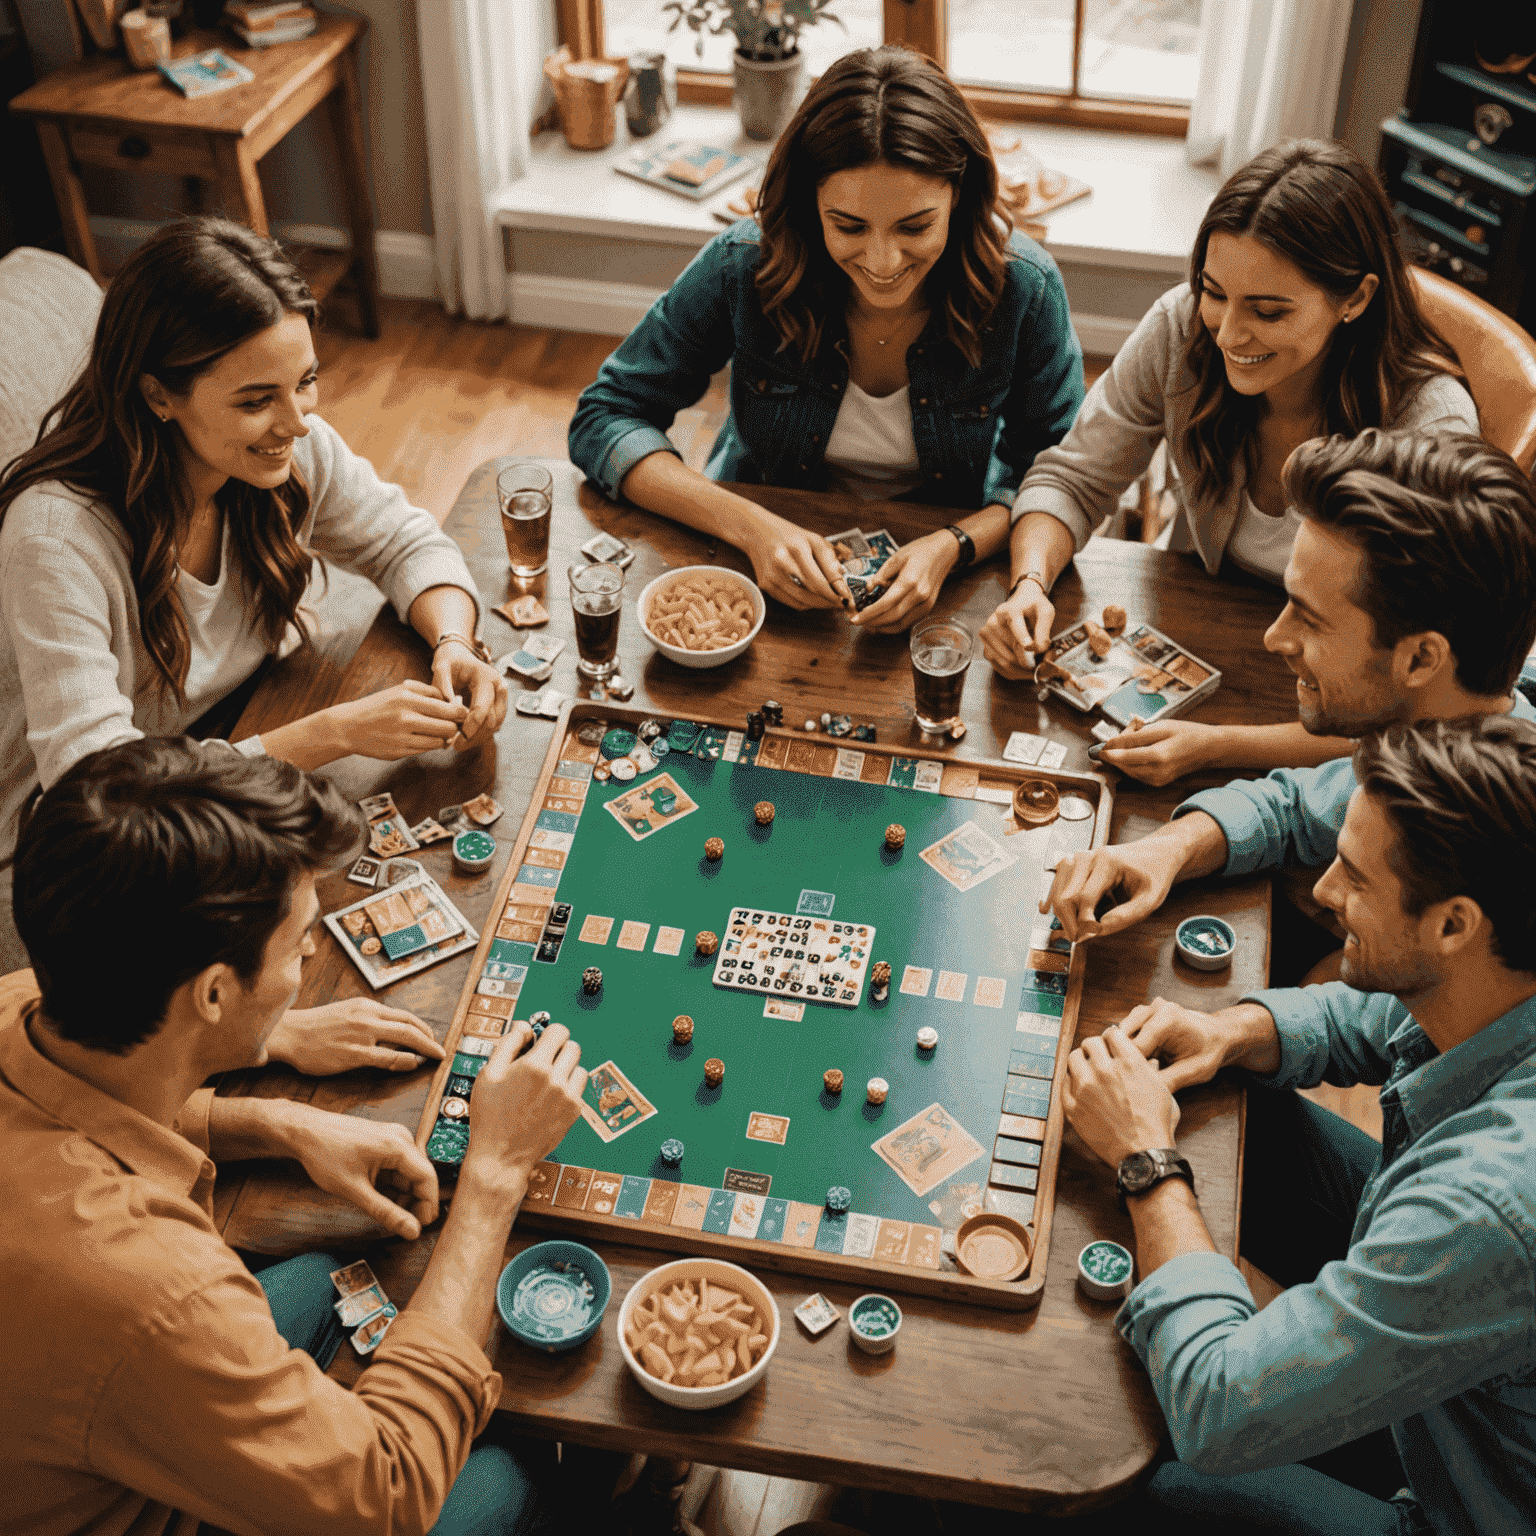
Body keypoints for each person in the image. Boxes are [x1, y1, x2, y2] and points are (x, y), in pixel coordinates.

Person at [0, 738, 587, 1536]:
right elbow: (389, 1497)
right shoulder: (157, 1290)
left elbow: (79, 1110)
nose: (313, 952)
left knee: (316, 1277)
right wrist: (494, 1173)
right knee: (508, 1476)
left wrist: (274, 1117)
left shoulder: (24, 1000)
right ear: (212, 993)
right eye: (301, 937)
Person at [0, 217, 508, 1014]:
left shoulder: (285, 449)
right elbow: (102, 799)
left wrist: (454, 639)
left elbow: (406, 540)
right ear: (158, 394)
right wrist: (333, 733)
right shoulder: (56, 535)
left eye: (305, 381)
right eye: (256, 399)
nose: (299, 422)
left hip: (232, 734)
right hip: (83, 836)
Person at [1061, 714, 1536, 1534]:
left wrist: (1147, 1160)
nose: (1322, 893)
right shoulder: (1499, 979)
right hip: (1467, 1373)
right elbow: (1388, 1014)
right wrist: (1232, 1030)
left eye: (1353, 876)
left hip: (1461, 1513)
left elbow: (1216, 1408)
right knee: (1254, 1118)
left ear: (1454, 924)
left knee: (1109, 1464)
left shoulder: (1484, 1206)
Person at [978, 137, 1477, 781]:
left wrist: (1218, 745)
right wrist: (1029, 585)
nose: (1228, 333)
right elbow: (1072, 476)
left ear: (1354, 299)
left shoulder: (1431, 424)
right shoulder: (1184, 326)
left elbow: (1427, 712)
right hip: (1201, 645)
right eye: (1214, 291)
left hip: (1329, 719)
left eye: (1269, 311)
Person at [568, 45, 1082, 635]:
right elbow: (605, 417)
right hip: (762, 571)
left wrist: (953, 545)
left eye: (915, 226)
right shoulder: (745, 264)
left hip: (955, 583)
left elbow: (1060, 475)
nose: (883, 263)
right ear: (811, 203)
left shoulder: (1025, 288)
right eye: (849, 226)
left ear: (959, 197)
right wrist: (750, 525)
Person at [1044, 428, 1536, 949]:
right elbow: (1295, 808)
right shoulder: (1442, 740)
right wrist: (1165, 849)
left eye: (1311, 619)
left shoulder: (1498, 846)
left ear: (1419, 658)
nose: (1274, 637)